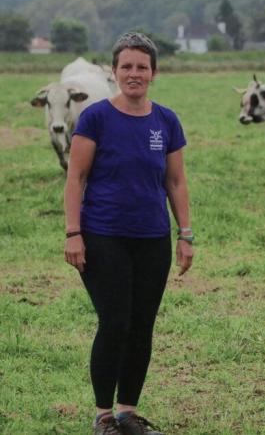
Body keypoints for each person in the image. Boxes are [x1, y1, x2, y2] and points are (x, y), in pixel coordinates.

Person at [63, 32, 194, 435]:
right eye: (126, 66)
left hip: (153, 239)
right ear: (115, 71)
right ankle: (103, 416)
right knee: (115, 322)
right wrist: (73, 233)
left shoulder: (166, 120)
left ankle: (127, 413)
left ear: (153, 72)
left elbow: (175, 181)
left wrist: (184, 233)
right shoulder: (96, 117)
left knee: (141, 324)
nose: (134, 74)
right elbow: (76, 177)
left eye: (142, 66)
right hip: (103, 236)